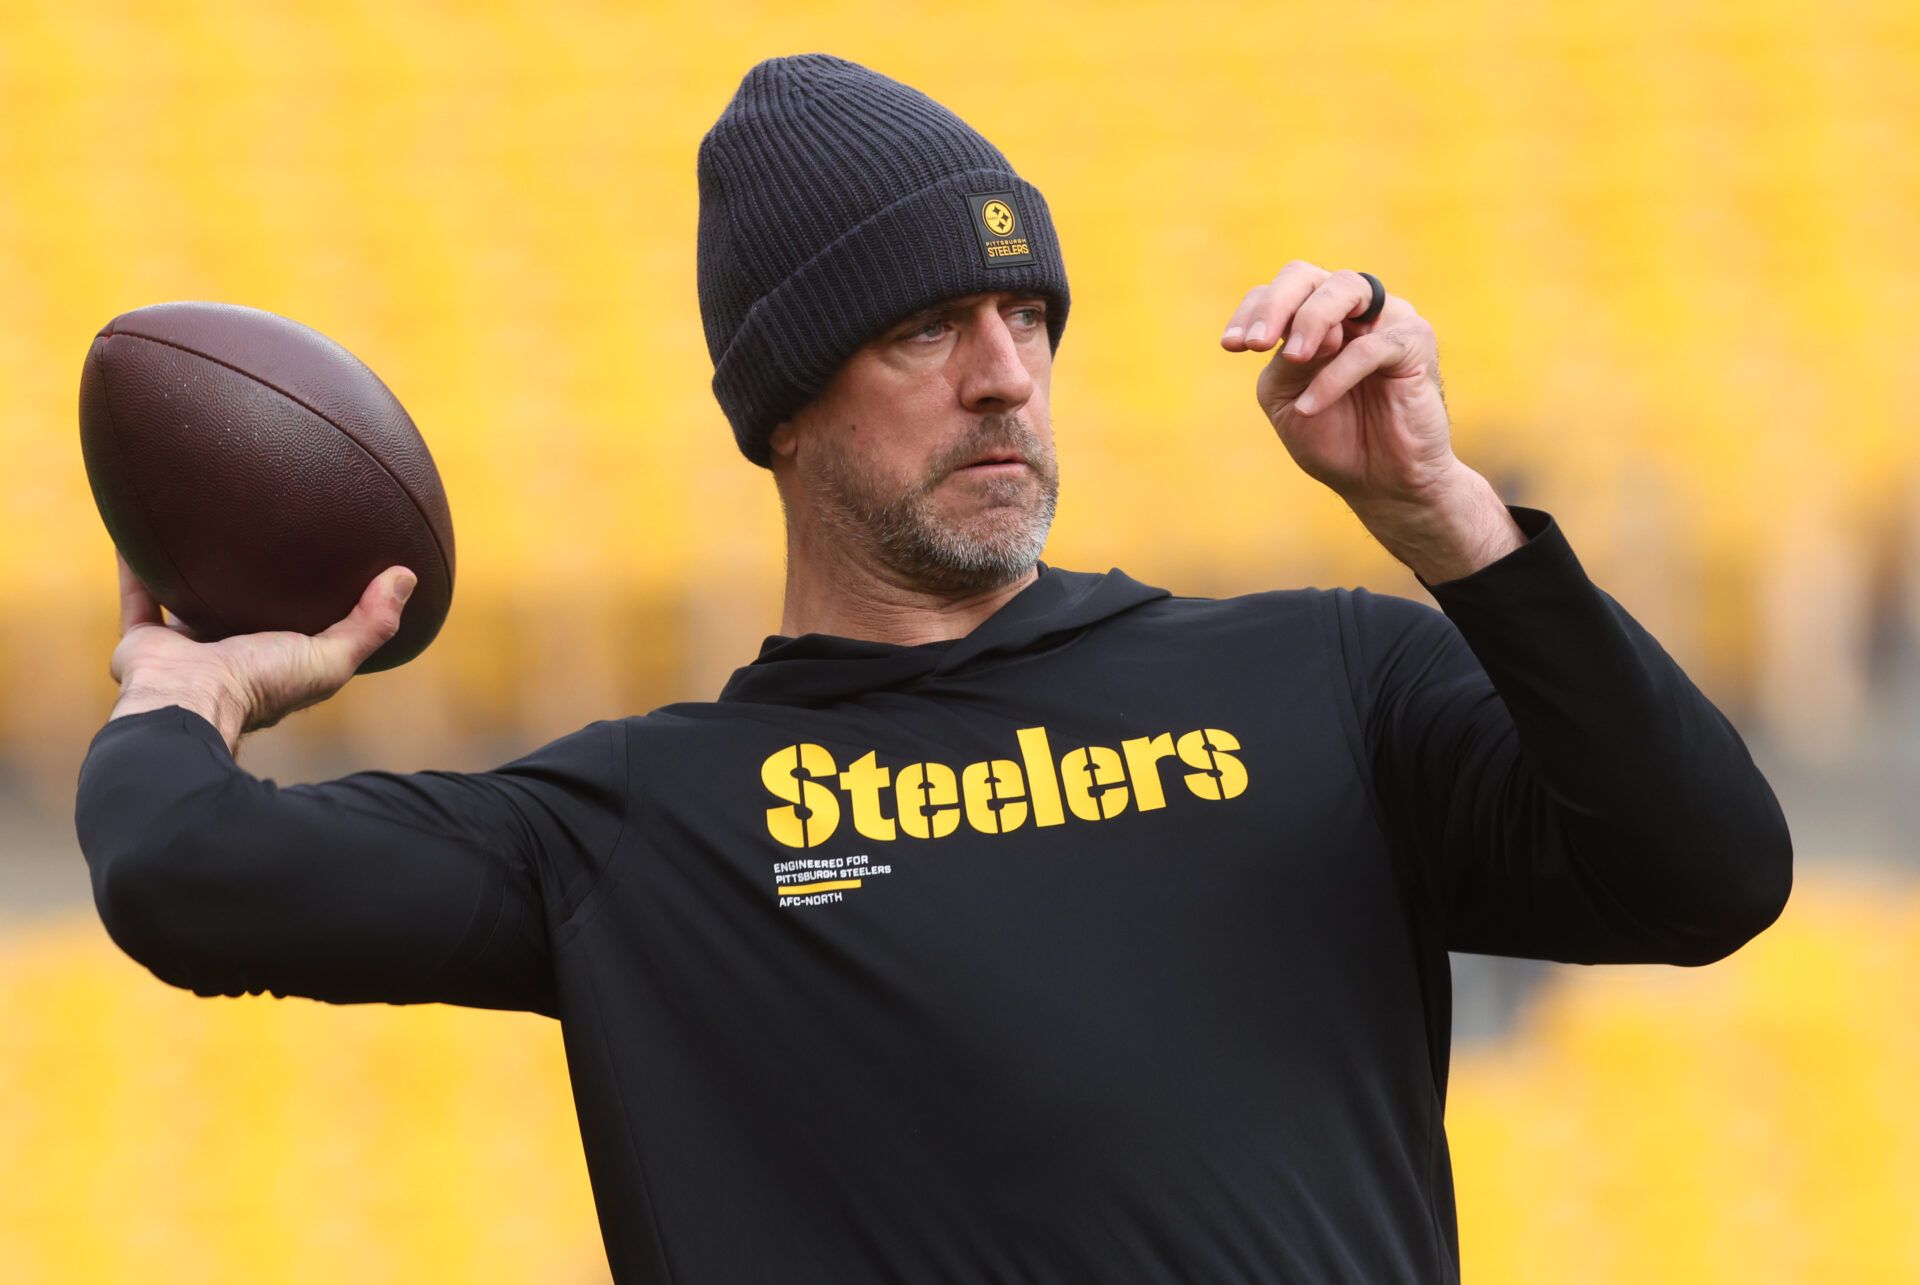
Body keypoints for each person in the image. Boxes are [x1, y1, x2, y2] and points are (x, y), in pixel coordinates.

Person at [76, 52, 1792, 1285]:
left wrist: (1451, 524)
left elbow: (1710, 870)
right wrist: (190, 690)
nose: (1004, 379)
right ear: (784, 409)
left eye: (1028, 321)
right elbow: (182, 874)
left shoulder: (1327, 680)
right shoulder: (645, 830)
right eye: (924, 329)